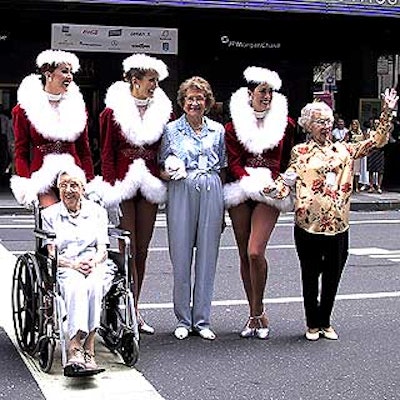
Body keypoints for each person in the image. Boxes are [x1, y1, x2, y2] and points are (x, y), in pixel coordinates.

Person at [263, 88, 398, 341]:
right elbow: (289, 177)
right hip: (307, 225)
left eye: (327, 121)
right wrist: (275, 188)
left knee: (333, 276)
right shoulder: (300, 152)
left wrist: (387, 111)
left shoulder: (344, 150)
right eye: (319, 122)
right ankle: (312, 323)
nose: (325, 126)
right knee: (310, 275)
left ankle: (325, 321)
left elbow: (377, 142)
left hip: (338, 224)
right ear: (307, 125)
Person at [94, 53, 173, 335]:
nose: (154, 85)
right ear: (134, 80)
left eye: (156, 80)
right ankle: (123, 308)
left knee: (142, 250)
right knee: (127, 249)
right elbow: (106, 154)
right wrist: (112, 191)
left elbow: (165, 148)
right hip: (124, 186)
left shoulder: (164, 111)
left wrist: (168, 169)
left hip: (149, 184)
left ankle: (135, 309)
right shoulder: (111, 112)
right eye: (151, 80)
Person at [223, 66, 295, 339]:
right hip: (241, 190)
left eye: (270, 91)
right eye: (262, 91)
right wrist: (250, 182)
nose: (266, 96)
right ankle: (254, 316)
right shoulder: (233, 126)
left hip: (269, 192)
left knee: (256, 251)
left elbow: (288, 160)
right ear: (249, 93)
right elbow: (234, 163)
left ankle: (259, 308)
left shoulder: (285, 124)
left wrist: (279, 182)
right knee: (244, 254)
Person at [159, 76, 226, 341]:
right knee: (181, 254)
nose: (194, 103)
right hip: (181, 188)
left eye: (199, 98)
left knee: (208, 256)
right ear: (183, 102)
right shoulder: (171, 130)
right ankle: (182, 319)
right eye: (190, 99)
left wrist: (222, 209)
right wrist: (171, 172)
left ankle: (202, 319)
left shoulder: (218, 130)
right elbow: (161, 167)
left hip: (211, 187)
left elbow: (221, 168)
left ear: (207, 102)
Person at [41, 165, 117, 375]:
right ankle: (75, 348)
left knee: (94, 285)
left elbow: (103, 247)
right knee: (76, 286)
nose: (68, 190)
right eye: (63, 185)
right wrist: (73, 264)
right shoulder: (50, 215)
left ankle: (89, 348)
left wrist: (93, 262)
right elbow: (51, 252)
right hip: (66, 265)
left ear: (83, 188)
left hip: (95, 263)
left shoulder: (97, 212)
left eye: (74, 185)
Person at [10, 49, 94, 208]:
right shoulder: (24, 109)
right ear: (48, 74)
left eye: (71, 72)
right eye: (64, 71)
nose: (70, 76)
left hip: (73, 173)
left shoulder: (77, 107)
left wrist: (89, 181)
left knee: (77, 224)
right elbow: (21, 152)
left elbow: (84, 150)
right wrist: (27, 186)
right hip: (41, 175)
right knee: (52, 220)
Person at [367, 118, 385, 193]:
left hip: (380, 151)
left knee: (380, 170)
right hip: (372, 151)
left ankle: (379, 186)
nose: (376, 124)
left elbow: (385, 141)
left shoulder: (382, 132)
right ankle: (371, 186)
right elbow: (368, 141)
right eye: (375, 123)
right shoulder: (370, 131)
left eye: (378, 123)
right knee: (371, 170)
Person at [347, 119, 365, 192]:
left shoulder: (361, 133)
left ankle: (357, 187)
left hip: (358, 153)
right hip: (351, 153)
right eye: (353, 124)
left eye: (356, 124)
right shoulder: (349, 133)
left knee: (357, 172)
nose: (355, 126)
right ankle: (350, 186)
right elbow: (346, 141)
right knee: (350, 171)